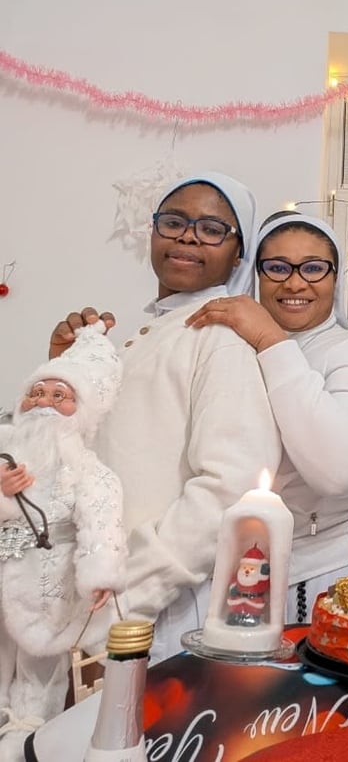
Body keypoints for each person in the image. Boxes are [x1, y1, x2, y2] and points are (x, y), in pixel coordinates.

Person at [47, 172, 282, 661]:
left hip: (156, 610)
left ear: (239, 252)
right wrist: (63, 371)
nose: (188, 235)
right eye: (173, 221)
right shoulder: (152, 329)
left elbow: (229, 486)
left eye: (212, 228)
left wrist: (132, 594)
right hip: (97, 598)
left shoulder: (221, 336)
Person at [185, 212, 348, 622]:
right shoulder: (233, 349)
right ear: (257, 275)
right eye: (277, 267)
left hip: (338, 577)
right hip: (248, 574)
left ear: (335, 277)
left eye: (313, 268)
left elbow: (341, 471)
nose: (294, 282)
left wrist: (271, 341)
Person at [0, 322, 125, 759]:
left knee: (40, 667)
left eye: (60, 396)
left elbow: (101, 515)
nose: (45, 402)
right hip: (3, 576)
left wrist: (100, 573)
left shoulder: (86, 469)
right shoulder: (4, 449)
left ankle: (28, 734)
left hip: (49, 584)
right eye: (38, 392)